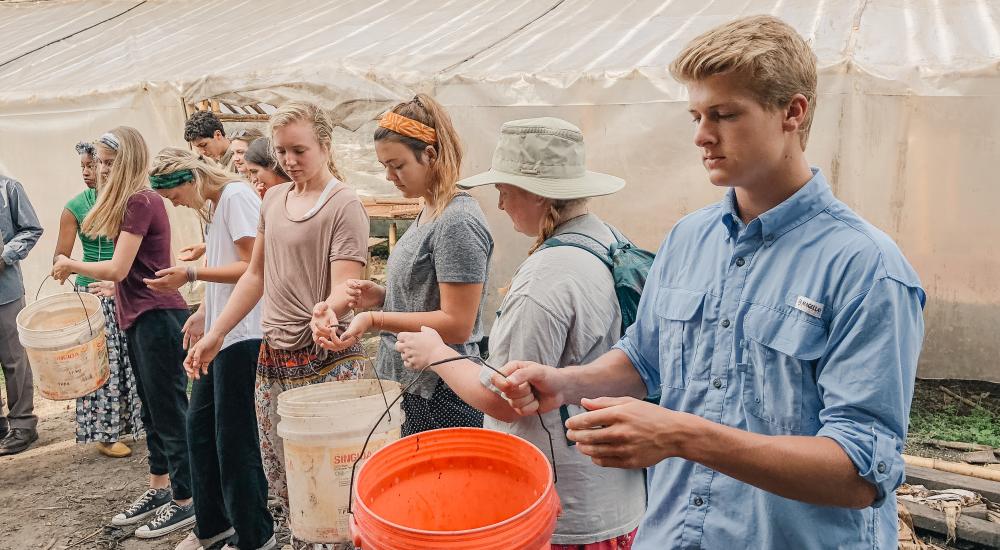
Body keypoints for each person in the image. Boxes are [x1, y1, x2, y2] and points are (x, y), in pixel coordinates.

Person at [494, 16, 926, 550]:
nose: (702, 135)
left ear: (793, 112)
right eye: (697, 114)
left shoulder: (864, 267)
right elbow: (645, 357)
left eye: (724, 114)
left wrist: (680, 435)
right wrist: (569, 383)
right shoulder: (688, 239)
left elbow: (862, 472)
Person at [395, 117, 645, 549]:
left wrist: (437, 352)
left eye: (505, 191)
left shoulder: (544, 280)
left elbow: (505, 400)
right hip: (618, 496)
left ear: (537, 195)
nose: (501, 203)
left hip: (565, 507)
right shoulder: (606, 240)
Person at [185, 101, 369, 516]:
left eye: (299, 150)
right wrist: (217, 333)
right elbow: (255, 275)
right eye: (282, 151)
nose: (289, 160)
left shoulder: (343, 205)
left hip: (325, 359)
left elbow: (347, 286)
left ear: (324, 144)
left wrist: (327, 309)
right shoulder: (274, 198)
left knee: (334, 484)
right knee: (286, 478)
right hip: (274, 357)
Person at [52, 128, 196, 539]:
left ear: (130, 162)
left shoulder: (141, 200)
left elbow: (117, 265)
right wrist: (114, 286)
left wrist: (72, 264)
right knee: (151, 409)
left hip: (157, 317)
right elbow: (134, 269)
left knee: (169, 411)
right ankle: (160, 490)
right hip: (138, 315)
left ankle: (187, 501)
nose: (101, 170)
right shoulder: (132, 203)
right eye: (99, 162)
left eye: (110, 163)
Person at [323, 94, 493, 436]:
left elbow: (457, 323)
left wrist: (374, 319)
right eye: (385, 165)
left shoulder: (457, 221)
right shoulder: (429, 210)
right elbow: (429, 300)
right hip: (413, 383)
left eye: (397, 165)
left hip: (441, 391)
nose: (389, 176)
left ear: (430, 155)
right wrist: (382, 296)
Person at [144, 148, 274, 550]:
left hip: (243, 334)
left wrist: (191, 273)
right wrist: (204, 310)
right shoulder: (219, 203)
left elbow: (255, 267)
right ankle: (213, 526)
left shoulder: (236, 197)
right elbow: (229, 268)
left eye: (174, 195)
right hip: (220, 329)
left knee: (234, 441)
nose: (175, 203)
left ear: (190, 180)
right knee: (200, 429)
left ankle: (256, 535)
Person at [52, 141, 141, 459]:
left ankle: (134, 425)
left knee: (131, 361)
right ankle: (105, 434)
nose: (89, 172)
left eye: (94, 165)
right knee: (102, 366)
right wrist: (66, 271)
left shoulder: (128, 201)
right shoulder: (74, 207)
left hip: (126, 288)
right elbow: (60, 256)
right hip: (93, 296)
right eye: (83, 167)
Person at [0, 173, 42, 457]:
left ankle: (23, 424)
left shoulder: (8, 188)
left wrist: (5, 256)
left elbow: (31, 229)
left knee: (15, 360)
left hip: (5, 291)